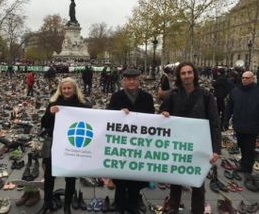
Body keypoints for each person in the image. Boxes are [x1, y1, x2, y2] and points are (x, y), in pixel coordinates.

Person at [159, 61, 220, 214]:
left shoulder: (206, 96)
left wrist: (216, 149)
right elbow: (162, 112)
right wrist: (163, 115)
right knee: (175, 182)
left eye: (189, 72)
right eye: (183, 73)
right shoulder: (172, 94)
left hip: (199, 145)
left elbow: (214, 123)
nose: (187, 76)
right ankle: (173, 209)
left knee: (198, 184)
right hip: (177, 144)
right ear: (179, 76)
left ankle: (198, 211)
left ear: (194, 74)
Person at [38, 77, 89, 214]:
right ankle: (47, 202)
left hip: (72, 145)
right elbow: (44, 124)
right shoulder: (53, 104)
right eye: (64, 88)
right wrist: (50, 113)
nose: (66, 91)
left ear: (74, 89)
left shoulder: (82, 105)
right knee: (49, 175)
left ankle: (67, 205)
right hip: (55, 144)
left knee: (70, 177)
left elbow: (93, 118)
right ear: (60, 90)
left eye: (69, 88)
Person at [107, 69, 154, 214]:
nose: (132, 82)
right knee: (121, 179)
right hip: (121, 144)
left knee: (136, 178)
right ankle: (120, 206)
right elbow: (109, 119)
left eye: (134, 79)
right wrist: (119, 115)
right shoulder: (116, 97)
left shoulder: (147, 97)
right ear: (123, 81)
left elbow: (152, 119)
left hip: (139, 144)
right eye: (128, 79)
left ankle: (133, 205)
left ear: (139, 80)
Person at [223, 71, 259, 191]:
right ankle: (244, 163)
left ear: (253, 79)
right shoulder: (235, 92)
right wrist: (225, 119)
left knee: (249, 148)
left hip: (252, 126)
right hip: (238, 125)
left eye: (247, 78)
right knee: (241, 145)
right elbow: (229, 106)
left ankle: (248, 169)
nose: (244, 80)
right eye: (243, 78)